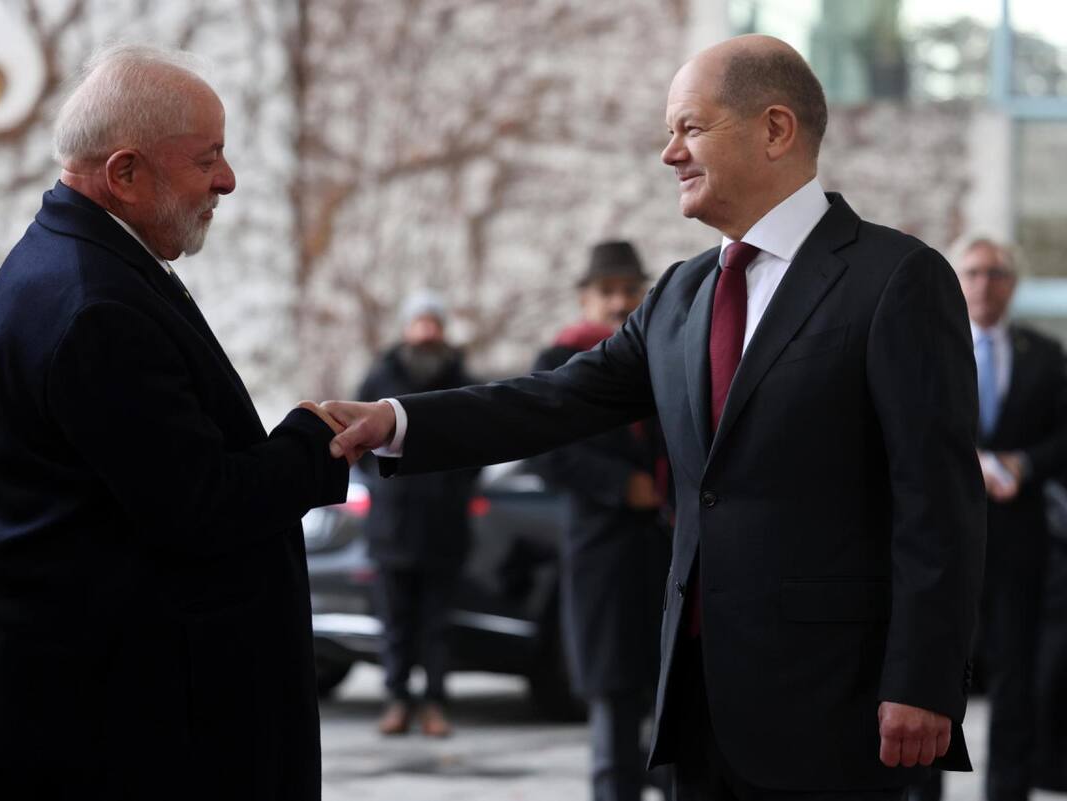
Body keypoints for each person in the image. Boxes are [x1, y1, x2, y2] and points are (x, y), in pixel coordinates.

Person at [320, 34, 986, 799]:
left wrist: (924, 679)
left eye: (690, 127)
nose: (669, 153)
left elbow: (939, 502)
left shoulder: (896, 280)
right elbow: (557, 399)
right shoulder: (680, 294)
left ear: (776, 129)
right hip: (694, 704)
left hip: (835, 703)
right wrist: (397, 419)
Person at [0, 45, 348, 801]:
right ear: (125, 174)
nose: (228, 179)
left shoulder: (79, 263)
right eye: (207, 157)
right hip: (117, 737)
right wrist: (314, 436)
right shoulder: (96, 304)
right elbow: (200, 507)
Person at [910, 237, 1067, 801]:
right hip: (941, 542)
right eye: (973, 272)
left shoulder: (1044, 356)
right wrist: (967, 461)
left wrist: (1023, 464)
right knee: (931, 674)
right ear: (956, 280)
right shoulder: (925, 349)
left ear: (1013, 282)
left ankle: (1008, 790)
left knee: (1016, 678)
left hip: (1018, 538)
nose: (984, 283)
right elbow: (908, 431)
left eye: (996, 273)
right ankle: (923, 789)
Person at [529, 241, 672, 801]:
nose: (619, 303)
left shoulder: (658, 354)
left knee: (671, 715)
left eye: (629, 291)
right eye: (607, 292)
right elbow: (546, 451)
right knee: (614, 711)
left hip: (666, 552)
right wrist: (621, 485)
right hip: (603, 556)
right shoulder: (559, 359)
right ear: (585, 299)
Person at [357, 291, 478, 737]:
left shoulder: (461, 376)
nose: (426, 331)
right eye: (419, 322)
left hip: (445, 528)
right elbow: (358, 441)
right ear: (407, 329)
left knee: (437, 626)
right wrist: (385, 481)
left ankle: (435, 704)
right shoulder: (381, 376)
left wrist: (452, 485)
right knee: (395, 625)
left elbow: (481, 444)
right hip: (392, 528)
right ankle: (396, 700)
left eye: (433, 322)